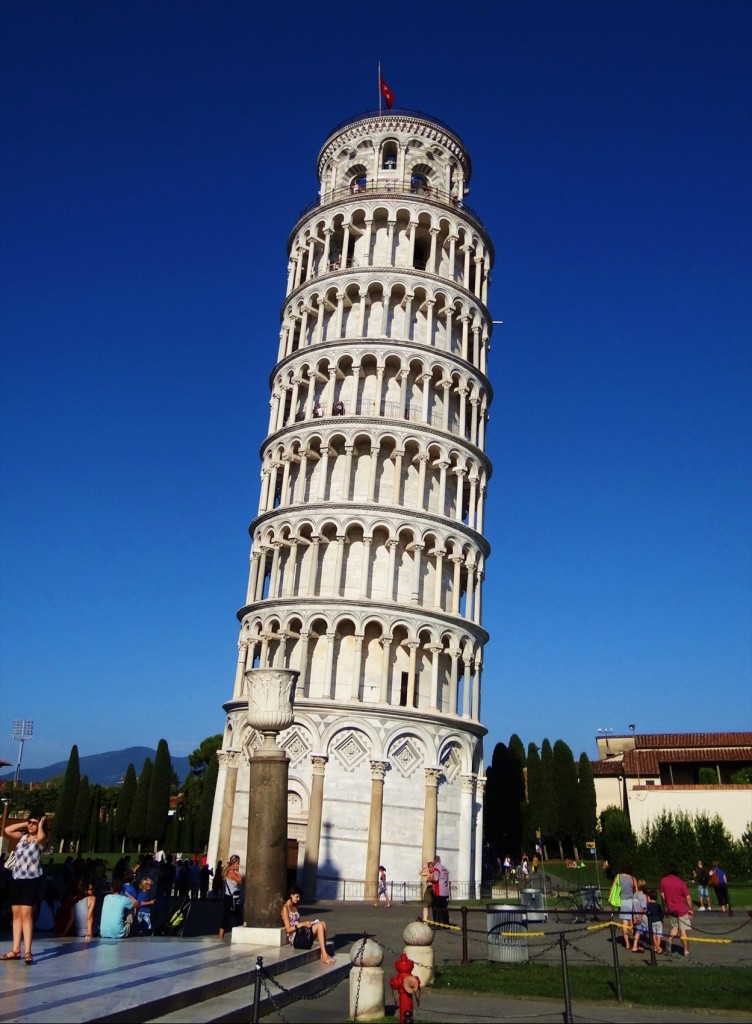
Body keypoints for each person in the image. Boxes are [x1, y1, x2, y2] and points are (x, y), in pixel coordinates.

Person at [1, 813, 47, 964]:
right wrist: (24, 824)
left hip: (31, 879)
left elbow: (40, 837)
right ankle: (15, 949)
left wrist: (40, 825)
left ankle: (28, 950)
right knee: (15, 914)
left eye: (34, 822)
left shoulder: (40, 840)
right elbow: (7, 830)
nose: (31, 825)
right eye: (30, 822)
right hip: (17, 878)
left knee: (26, 914)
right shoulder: (22, 837)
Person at [281, 885, 335, 964]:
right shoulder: (285, 908)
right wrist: (303, 924)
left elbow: (299, 923)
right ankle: (324, 954)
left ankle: (322, 953)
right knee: (320, 925)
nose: (298, 899)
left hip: (300, 933)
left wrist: (307, 924)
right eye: (297, 896)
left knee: (323, 923)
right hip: (295, 938)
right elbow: (288, 929)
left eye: (299, 897)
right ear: (291, 895)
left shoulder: (294, 907)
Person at [659, 864, 693, 956]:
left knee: (675, 927)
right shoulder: (681, 882)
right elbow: (688, 897)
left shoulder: (663, 881)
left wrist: (667, 902)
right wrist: (690, 909)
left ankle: (669, 942)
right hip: (681, 909)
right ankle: (686, 950)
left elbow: (662, 894)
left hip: (671, 908)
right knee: (683, 930)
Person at [218, 854, 244, 940]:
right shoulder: (231, 872)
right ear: (233, 863)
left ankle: (238, 937)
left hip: (234, 898)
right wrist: (237, 872)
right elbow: (240, 881)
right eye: (237, 863)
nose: (238, 865)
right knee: (226, 919)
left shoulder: (231, 872)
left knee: (239, 918)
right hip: (229, 898)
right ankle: (220, 938)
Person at [617, 864, 638, 949]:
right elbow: (636, 890)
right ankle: (634, 940)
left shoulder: (619, 877)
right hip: (631, 901)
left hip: (622, 901)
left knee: (624, 923)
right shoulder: (632, 878)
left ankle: (627, 943)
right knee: (632, 922)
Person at [431, 856, 450, 926]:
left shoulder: (436, 868)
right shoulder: (445, 868)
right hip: (445, 891)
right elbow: (447, 880)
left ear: (434, 861)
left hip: (438, 891)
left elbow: (435, 879)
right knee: (444, 908)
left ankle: (438, 923)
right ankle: (446, 923)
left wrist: (430, 880)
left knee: (436, 907)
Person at [630, 881, 648, 952]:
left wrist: (635, 917)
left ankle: (635, 946)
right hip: (642, 916)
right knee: (650, 929)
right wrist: (640, 917)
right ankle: (656, 945)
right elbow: (643, 907)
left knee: (638, 931)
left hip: (635, 915)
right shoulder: (643, 895)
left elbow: (633, 907)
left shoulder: (634, 894)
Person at [645, 889, 664, 954]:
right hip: (658, 921)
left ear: (649, 897)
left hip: (652, 921)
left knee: (653, 935)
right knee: (658, 935)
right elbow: (661, 914)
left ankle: (657, 947)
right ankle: (658, 946)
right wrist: (662, 921)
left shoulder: (648, 905)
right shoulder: (658, 905)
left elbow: (646, 913)